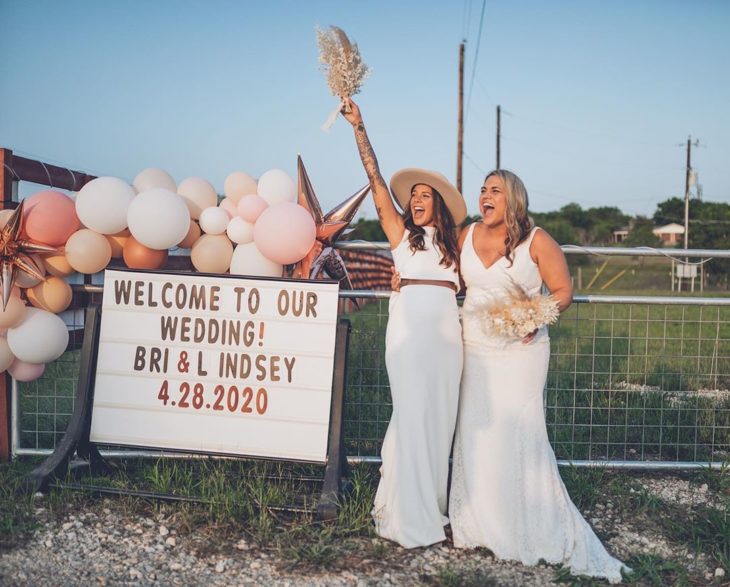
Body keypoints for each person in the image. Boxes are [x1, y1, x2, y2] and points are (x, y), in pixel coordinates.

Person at [448, 169, 629, 582]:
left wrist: (534, 317)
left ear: (513, 198)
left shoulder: (539, 240)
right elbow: (450, 280)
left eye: (495, 190)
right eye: (482, 189)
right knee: (477, 429)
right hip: (474, 349)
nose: (484, 195)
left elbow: (562, 291)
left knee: (518, 432)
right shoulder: (465, 236)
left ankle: (526, 521)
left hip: (521, 352)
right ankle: (477, 519)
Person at [341, 97, 466, 548]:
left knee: (438, 420)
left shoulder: (458, 245)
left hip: (450, 342)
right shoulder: (400, 238)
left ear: (438, 206)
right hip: (409, 337)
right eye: (412, 195)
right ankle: (409, 515)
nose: (415, 200)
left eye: (423, 195)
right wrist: (360, 127)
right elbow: (376, 182)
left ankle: (430, 504)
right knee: (412, 413)